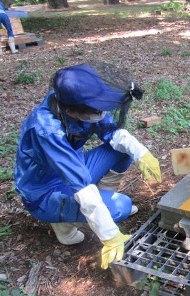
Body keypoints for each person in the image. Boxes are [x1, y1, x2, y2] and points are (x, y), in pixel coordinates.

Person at [15, 62, 162, 269]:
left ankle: (103, 200)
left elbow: (111, 132)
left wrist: (141, 153)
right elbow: (80, 185)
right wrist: (110, 236)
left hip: (72, 169)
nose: (100, 114)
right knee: (121, 207)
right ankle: (64, 223)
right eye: (96, 110)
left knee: (122, 150)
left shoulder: (78, 100)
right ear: (73, 111)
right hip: (44, 193)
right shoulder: (46, 130)